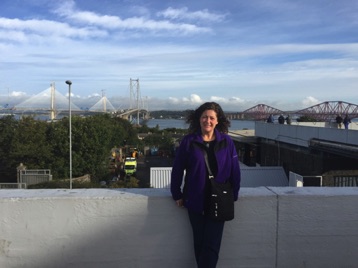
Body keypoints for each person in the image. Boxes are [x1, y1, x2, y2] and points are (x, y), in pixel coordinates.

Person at [171, 102, 241, 268]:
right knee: (199, 243)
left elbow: (235, 171)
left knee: (211, 245)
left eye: (211, 118)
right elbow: (178, 168)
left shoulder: (227, 142)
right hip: (195, 198)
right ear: (199, 119)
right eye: (204, 117)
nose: (207, 121)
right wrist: (177, 193)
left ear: (217, 121)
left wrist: (234, 194)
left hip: (220, 200)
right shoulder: (188, 141)